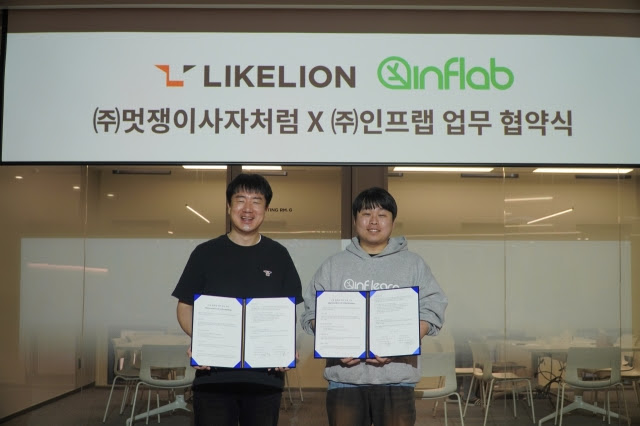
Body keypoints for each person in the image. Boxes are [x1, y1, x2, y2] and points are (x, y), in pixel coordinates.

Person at [301, 187, 448, 426]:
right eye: (366, 214)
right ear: (355, 220)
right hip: (345, 381)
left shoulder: (413, 264)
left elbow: (432, 308)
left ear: (392, 221)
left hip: (396, 381)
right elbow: (312, 311)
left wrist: (400, 345)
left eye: (382, 215)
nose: (373, 221)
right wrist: (335, 345)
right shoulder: (333, 265)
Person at [172, 173, 303, 426]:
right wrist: (201, 339)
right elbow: (184, 306)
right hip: (214, 376)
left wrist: (287, 346)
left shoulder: (279, 255)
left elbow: (288, 312)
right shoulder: (204, 253)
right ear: (229, 206)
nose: (247, 209)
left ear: (266, 209)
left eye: (256, 201)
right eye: (240, 200)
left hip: (264, 378)